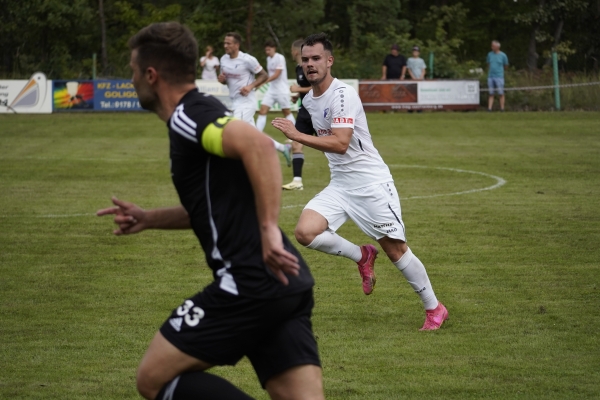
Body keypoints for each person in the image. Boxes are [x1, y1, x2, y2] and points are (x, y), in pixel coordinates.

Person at [97, 22, 323, 400]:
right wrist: (150, 218)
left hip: (247, 283)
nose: (132, 79)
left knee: (152, 379)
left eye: (134, 71)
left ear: (151, 76)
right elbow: (215, 206)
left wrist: (268, 227)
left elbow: (261, 147)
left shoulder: (190, 116)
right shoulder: (203, 112)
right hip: (286, 282)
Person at [272, 33, 448, 331]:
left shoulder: (343, 95)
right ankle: (362, 255)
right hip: (341, 184)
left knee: (396, 250)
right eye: (305, 60)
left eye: (316, 58)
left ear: (329, 61)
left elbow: (340, 143)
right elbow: (299, 140)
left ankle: (435, 308)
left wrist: (296, 135)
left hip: (370, 183)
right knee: (305, 231)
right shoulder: (308, 101)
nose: (310, 64)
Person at [255, 40, 294, 166]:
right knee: (262, 110)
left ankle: (294, 133)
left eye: (269, 50)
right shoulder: (268, 59)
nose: (267, 52)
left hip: (281, 90)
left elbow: (277, 74)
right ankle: (257, 132)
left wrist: (264, 81)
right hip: (272, 90)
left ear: (274, 49)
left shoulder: (279, 58)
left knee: (286, 112)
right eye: (266, 50)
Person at [218, 32, 267, 126]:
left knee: (234, 128)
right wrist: (222, 80)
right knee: (253, 136)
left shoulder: (248, 59)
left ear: (237, 45)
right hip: (234, 101)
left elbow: (264, 75)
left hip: (246, 102)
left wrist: (250, 86)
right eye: (224, 43)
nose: (225, 46)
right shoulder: (223, 59)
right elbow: (225, 81)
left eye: (228, 43)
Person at [283, 39, 312, 191]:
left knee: (331, 145)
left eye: (291, 50)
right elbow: (305, 88)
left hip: (316, 111)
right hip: (303, 111)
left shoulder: (310, 66)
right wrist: (297, 96)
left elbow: (316, 87)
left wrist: (298, 90)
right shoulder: (298, 68)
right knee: (296, 143)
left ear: (296, 51)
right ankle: (297, 181)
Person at [487, 40, 509, 112]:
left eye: (493, 46)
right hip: (491, 76)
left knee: (501, 93)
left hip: (499, 76)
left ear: (497, 47)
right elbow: (488, 64)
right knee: (491, 93)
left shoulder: (503, 55)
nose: (491, 47)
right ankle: (489, 108)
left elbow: (506, 65)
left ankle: (502, 108)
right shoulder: (489, 54)